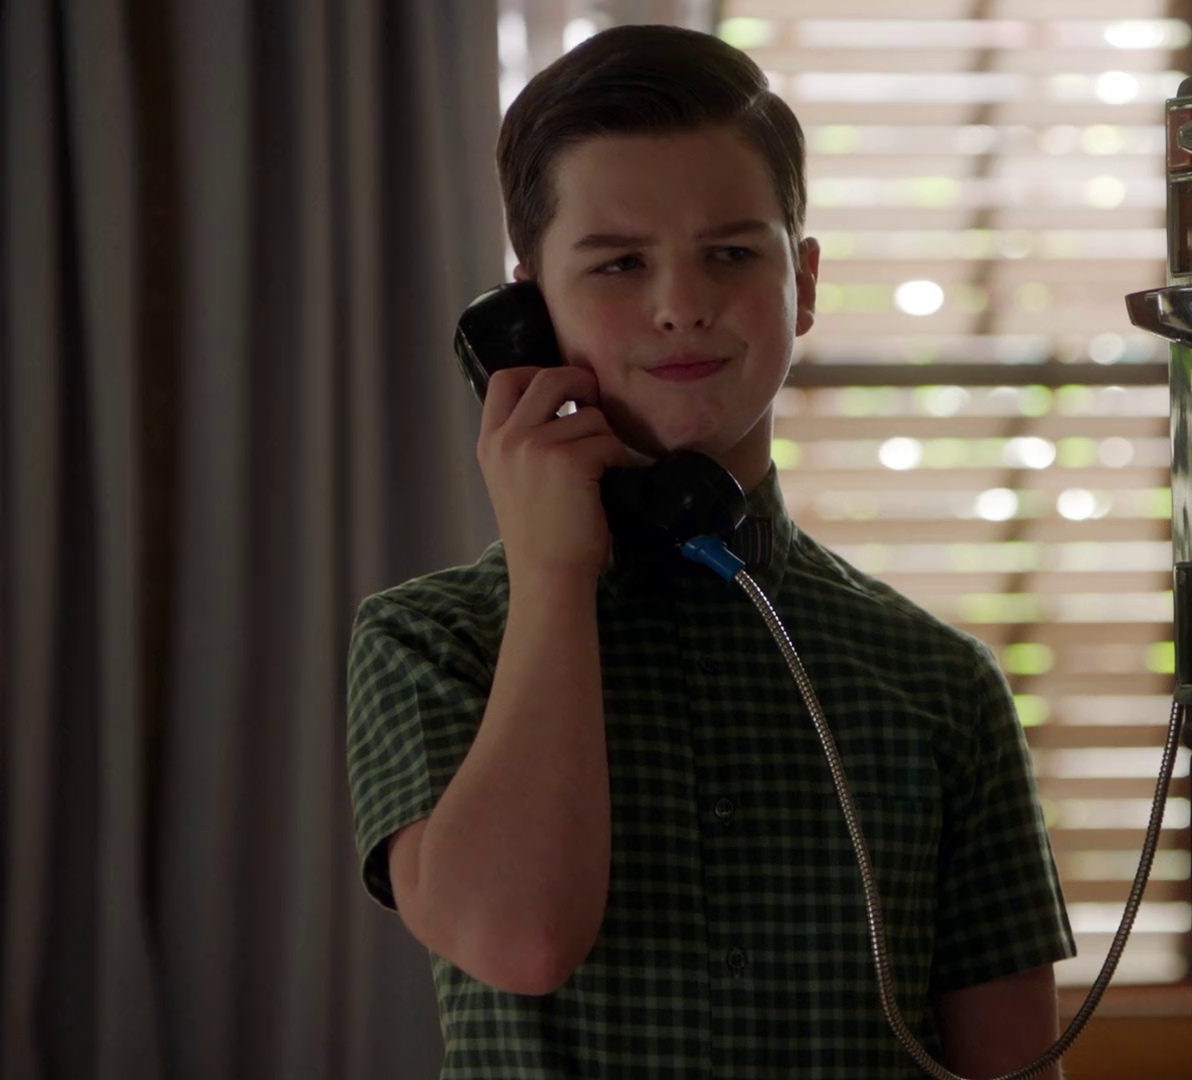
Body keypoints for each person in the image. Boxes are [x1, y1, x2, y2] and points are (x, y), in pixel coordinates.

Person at [345, 23, 1074, 1079]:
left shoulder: (938, 685)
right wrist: (552, 574)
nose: (681, 306)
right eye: (619, 263)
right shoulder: (431, 642)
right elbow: (520, 941)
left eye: (730, 254)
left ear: (804, 283)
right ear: (529, 312)